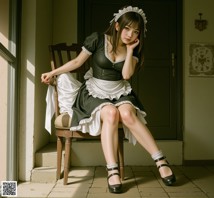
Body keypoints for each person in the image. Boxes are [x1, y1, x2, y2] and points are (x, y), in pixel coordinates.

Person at [41, 6, 176, 194]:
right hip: (94, 91)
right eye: (127, 28)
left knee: (128, 114)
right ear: (118, 25)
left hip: (120, 90)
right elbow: (77, 62)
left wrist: (129, 51)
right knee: (111, 114)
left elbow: (127, 75)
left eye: (135, 31)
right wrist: (52, 72)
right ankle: (112, 170)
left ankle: (161, 161)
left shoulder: (134, 50)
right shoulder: (97, 39)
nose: (130, 34)